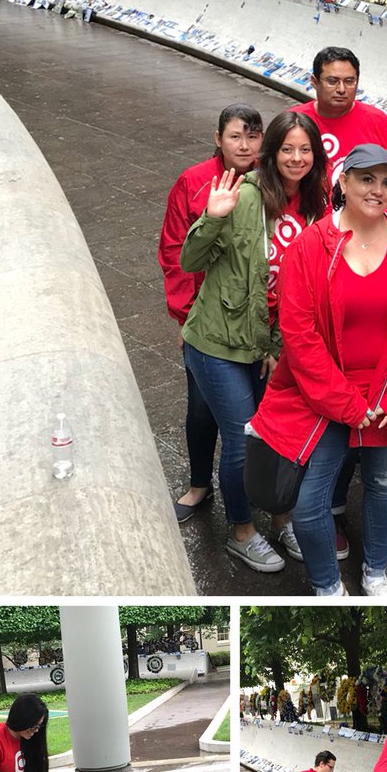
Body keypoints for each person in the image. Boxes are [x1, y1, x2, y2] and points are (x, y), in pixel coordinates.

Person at [248, 144, 387, 597]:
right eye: (366, 179)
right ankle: (328, 587)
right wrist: (346, 404)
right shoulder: (311, 247)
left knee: (385, 485)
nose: (378, 190)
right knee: (310, 502)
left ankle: (376, 573)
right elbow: (299, 335)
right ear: (342, 182)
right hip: (326, 399)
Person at [181, 110, 327, 573]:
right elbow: (190, 260)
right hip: (218, 343)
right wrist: (210, 218)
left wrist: (277, 345)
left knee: (278, 438)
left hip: (270, 346)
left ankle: (281, 519)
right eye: (287, 149)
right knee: (243, 440)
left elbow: (306, 286)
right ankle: (242, 532)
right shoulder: (243, 196)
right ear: (271, 152)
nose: (296, 158)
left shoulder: (315, 204)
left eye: (305, 149)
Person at [158, 104, 264, 522]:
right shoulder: (194, 182)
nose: (244, 145)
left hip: (257, 327)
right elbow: (173, 250)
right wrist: (185, 317)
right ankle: (200, 484)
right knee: (202, 408)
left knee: (256, 416)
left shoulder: (269, 183)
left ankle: (252, 487)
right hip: (207, 324)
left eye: (253, 136)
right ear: (218, 138)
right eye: (236, 136)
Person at [291, 46, 387, 184]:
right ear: (315, 82)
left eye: (349, 82)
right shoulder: (293, 120)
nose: (341, 89)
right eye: (332, 81)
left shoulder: (379, 122)